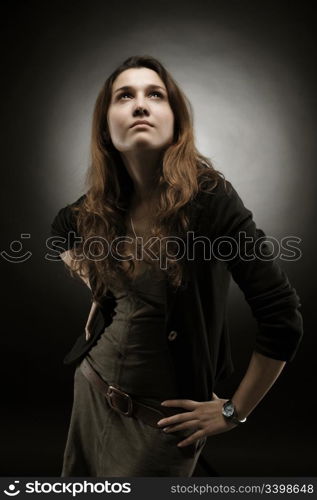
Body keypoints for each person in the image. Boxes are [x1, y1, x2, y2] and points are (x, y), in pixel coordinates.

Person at [49, 55, 304, 477]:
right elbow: (61, 231)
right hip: (92, 393)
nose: (141, 104)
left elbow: (282, 317)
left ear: (176, 121)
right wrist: (99, 284)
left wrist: (232, 412)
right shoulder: (104, 203)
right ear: (106, 129)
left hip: (161, 423)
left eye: (155, 94)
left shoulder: (209, 198)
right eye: (124, 95)